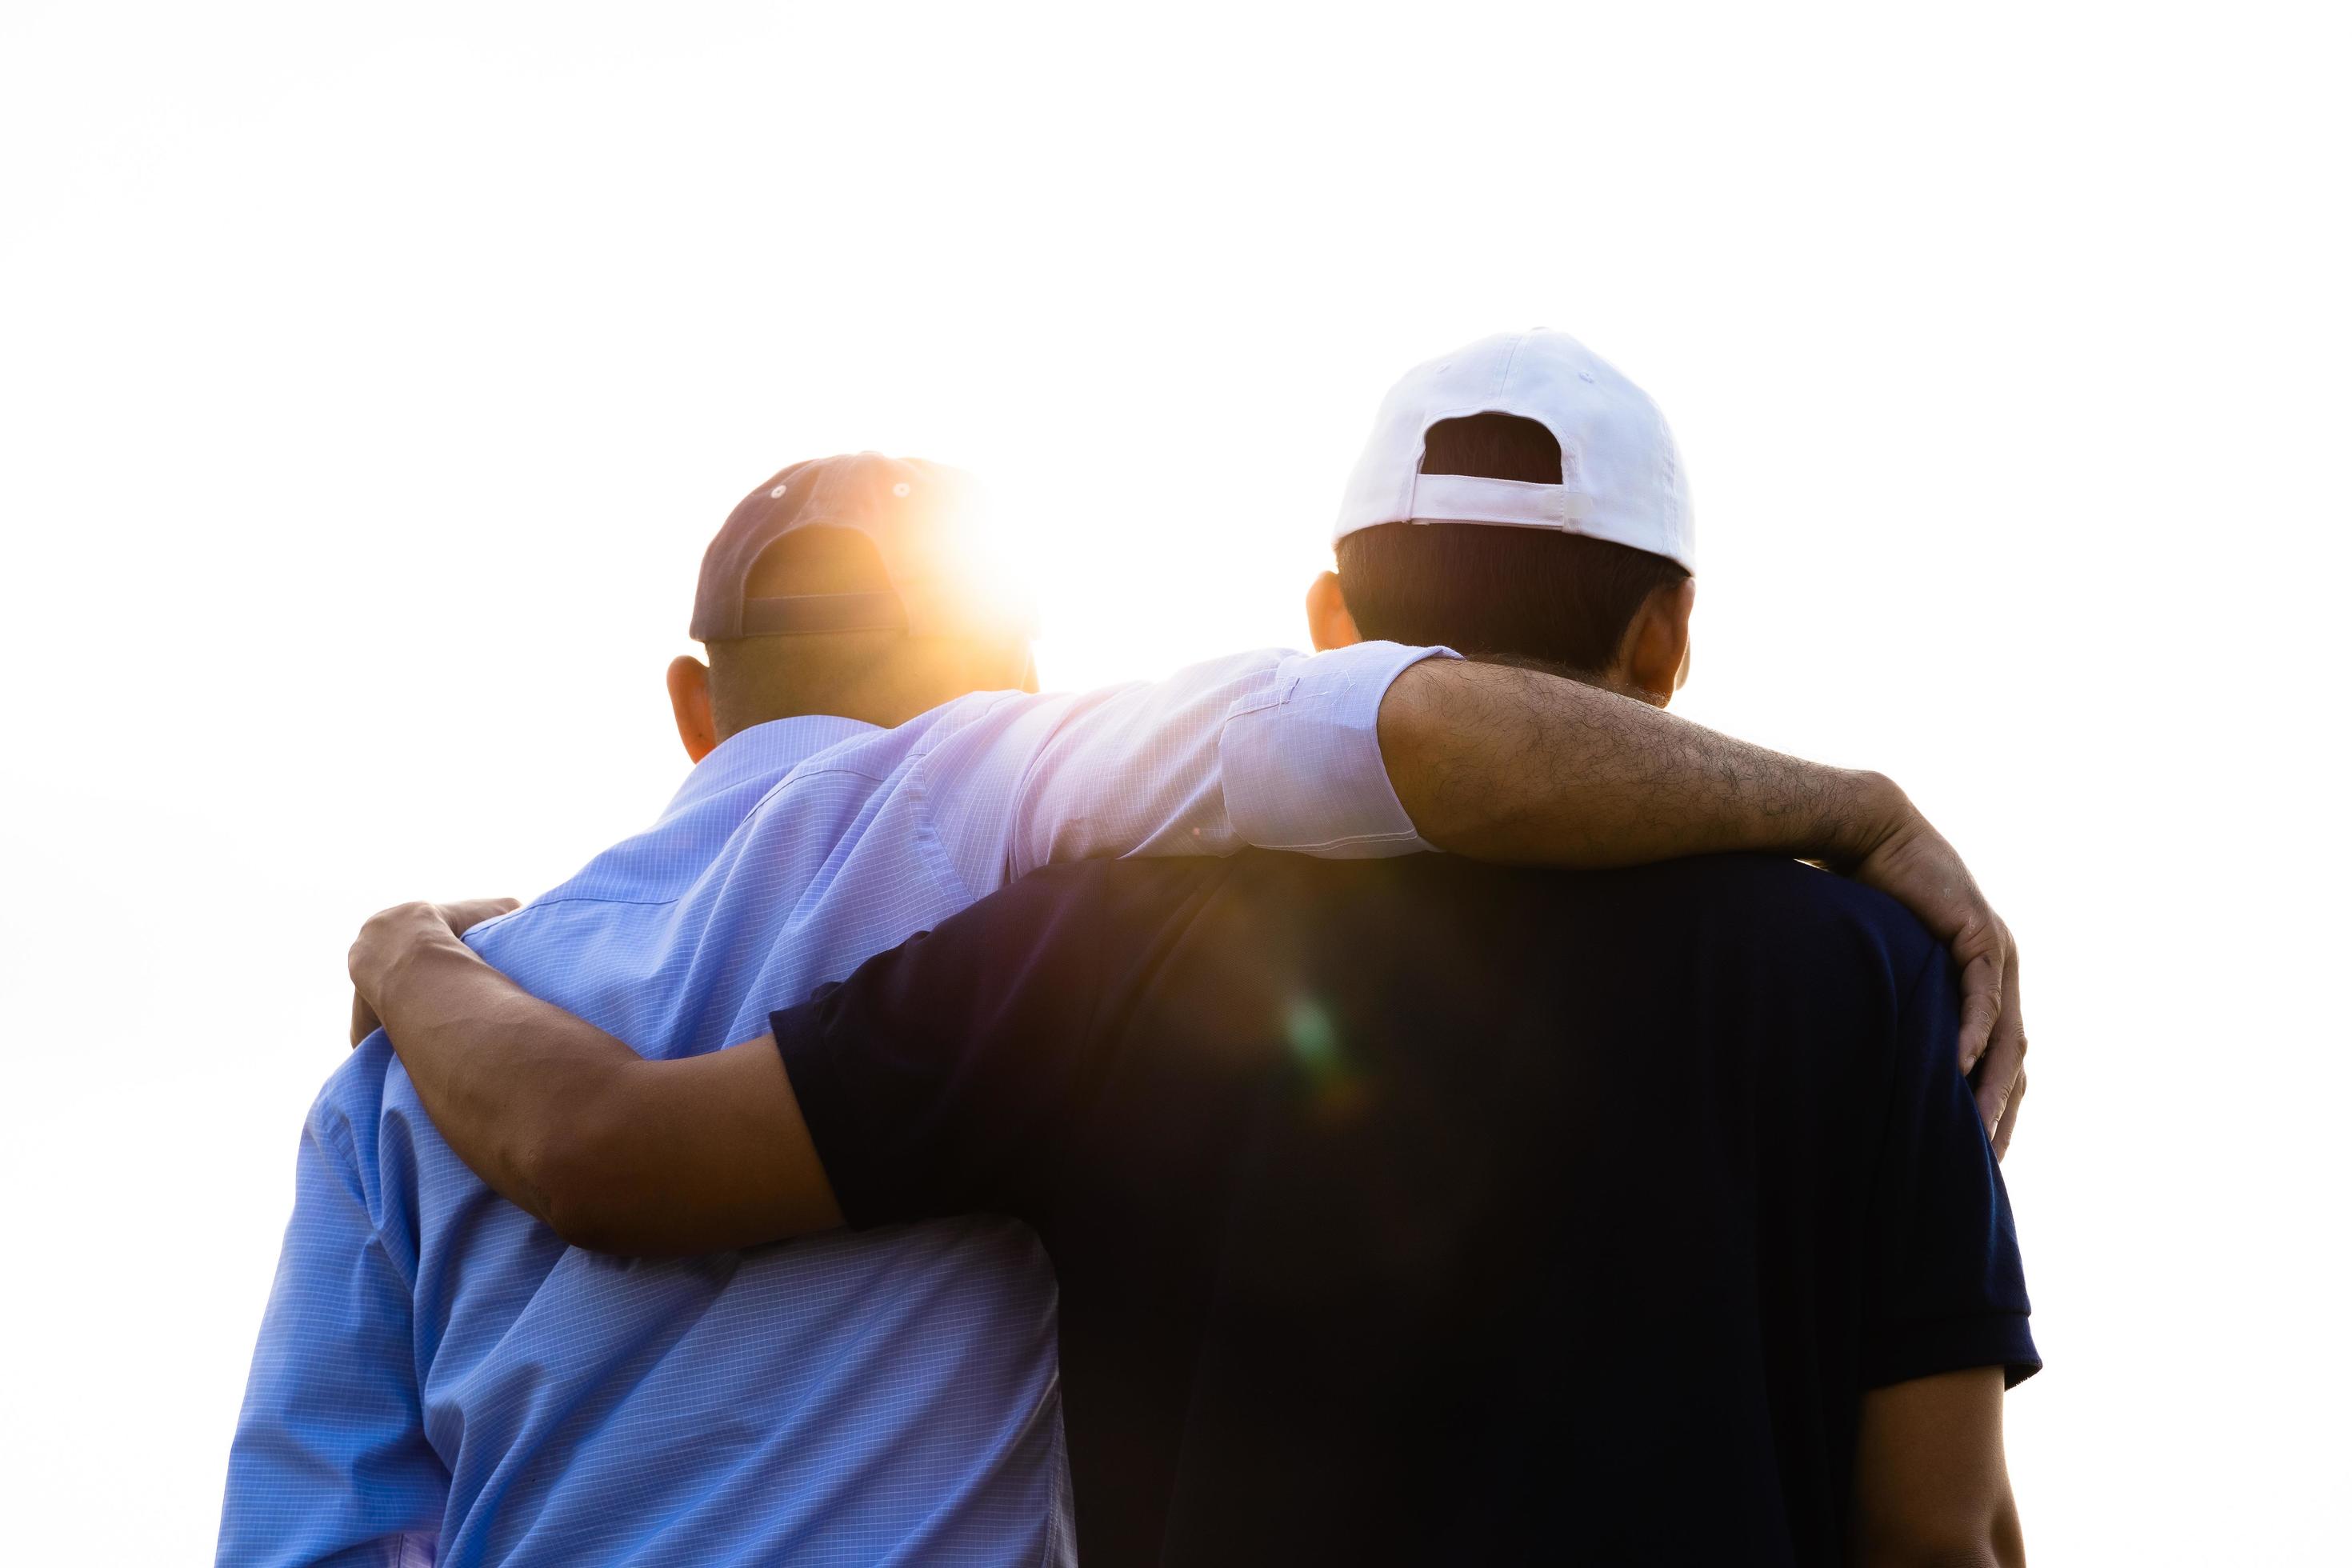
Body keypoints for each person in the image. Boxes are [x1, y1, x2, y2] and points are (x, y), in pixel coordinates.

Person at [220, 331, 2025, 1565]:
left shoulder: (1108, 943)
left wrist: (405, 956)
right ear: (1671, 638)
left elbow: (607, 1159)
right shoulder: (1865, 969)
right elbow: (1942, 1532)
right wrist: (1856, 812)